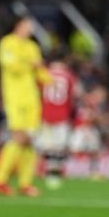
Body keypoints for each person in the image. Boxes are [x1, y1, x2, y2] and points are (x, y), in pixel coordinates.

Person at [0, 16, 52, 197]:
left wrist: (51, 80)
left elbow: (40, 72)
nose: (30, 30)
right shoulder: (7, 43)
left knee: (31, 141)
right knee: (19, 138)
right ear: (18, 25)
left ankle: (25, 183)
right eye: (27, 26)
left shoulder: (32, 47)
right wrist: (30, 63)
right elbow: (10, 66)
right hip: (14, 98)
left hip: (32, 99)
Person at [37, 54, 78, 190]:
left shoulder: (44, 73)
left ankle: (50, 175)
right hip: (62, 115)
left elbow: (38, 93)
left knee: (48, 146)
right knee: (59, 147)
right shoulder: (69, 76)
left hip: (45, 114)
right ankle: (55, 175)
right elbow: (73, 97)